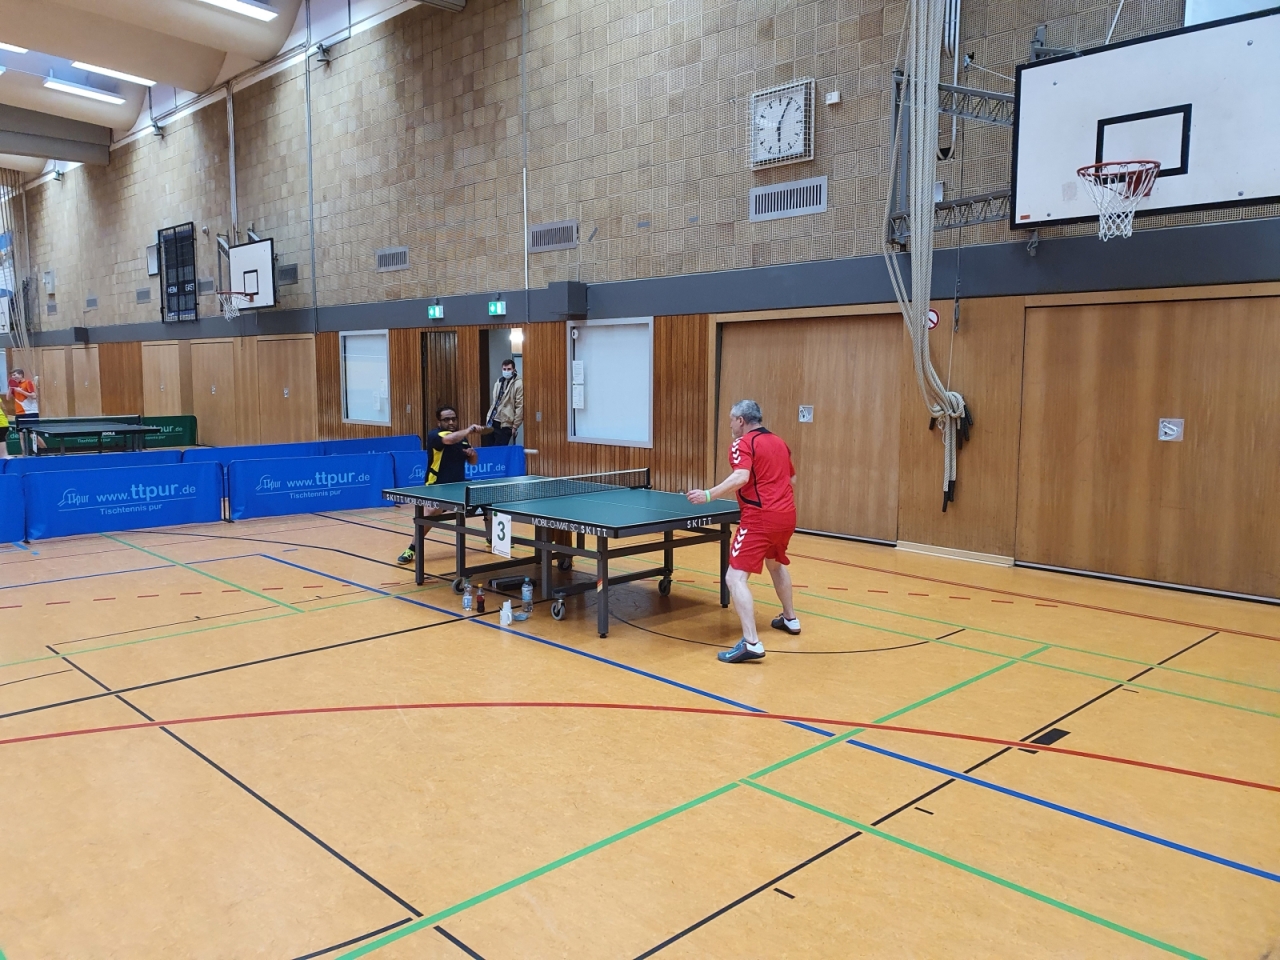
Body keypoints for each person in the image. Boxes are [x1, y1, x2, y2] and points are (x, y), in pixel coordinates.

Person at [686, 399, 800, 663]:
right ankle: (790, 618)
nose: (729, 425)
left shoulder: (742, 443)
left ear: (741, 421)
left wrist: (708, 495)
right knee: (775, 564)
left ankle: (751, 643)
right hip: (787, 516)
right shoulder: (779, 442)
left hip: (759, 518)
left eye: (731, 420)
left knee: (734, 578)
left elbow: (741, 476)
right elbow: (791, 478)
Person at [398, 405, 483, 564]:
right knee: (431, 513)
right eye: (446, 419)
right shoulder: (435, 435)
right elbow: (449, 440)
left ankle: (491, 537)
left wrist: (473, 454)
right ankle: (412, 548)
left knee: (487, 502)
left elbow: (472, 462)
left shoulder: (462, 439)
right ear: (439, 422)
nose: (451, 422)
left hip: (458, 486)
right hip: (436, 485)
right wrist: (469, 429)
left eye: (453, 419)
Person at [482, 358, 523, 446]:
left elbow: (520, 406)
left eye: (509, 369)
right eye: (504, 369)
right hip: (492, 421)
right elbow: (495, 402)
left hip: (505, 423)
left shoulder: (519, 384)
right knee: (489, 448)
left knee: (500, 450)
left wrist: (515, 426)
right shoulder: (499, 381)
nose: (506, 371)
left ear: (513, 369)